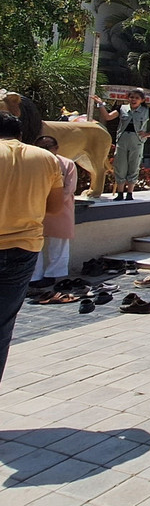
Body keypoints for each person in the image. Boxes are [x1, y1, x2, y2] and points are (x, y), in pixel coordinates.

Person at [0, 111, 63, 382]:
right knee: (3, 324)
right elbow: (55, 207)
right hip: (24, 248)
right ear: (22, 135)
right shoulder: (47, 158)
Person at [91, 89, 150, 201]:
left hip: (137, 141)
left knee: (134, 166)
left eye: (137, 98)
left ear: (142, 100)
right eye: (132, 97)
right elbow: (108, 117)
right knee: (120, 166)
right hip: (122, 140)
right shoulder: (122, 108)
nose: (133, 100)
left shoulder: (147, 110)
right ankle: (120, 193)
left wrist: (149, 134)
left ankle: (129, 193)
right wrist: (100, 104)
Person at [27, 136, 78, 289]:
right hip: (35, 208)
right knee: (34, 244)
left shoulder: (68, 164)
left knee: (59, 242)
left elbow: (68, 189)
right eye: (41, 147)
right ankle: (34, 276)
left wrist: (51, 203)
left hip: (60, 209)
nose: (45, 151)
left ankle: (54, 274)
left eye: (48, 147)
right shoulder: (30, 164)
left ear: (56, 148)